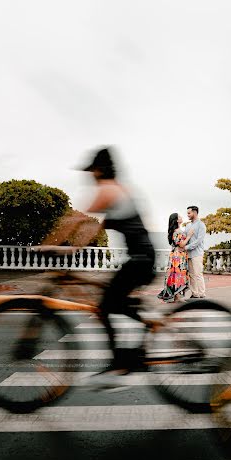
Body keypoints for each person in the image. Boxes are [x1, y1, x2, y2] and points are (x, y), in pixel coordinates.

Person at [79, 147, 155, 384]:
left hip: (140, 260)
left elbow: (79, 221)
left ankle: (119, 365)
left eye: (91, 170)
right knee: (116, 303)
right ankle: (148, 329)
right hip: (142, 258)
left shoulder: (109, 189)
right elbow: (93, 228)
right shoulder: (119, 190)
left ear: (99, 169)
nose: (90, 175)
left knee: (104, 307)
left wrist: (58, 246)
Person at [157, 213, 194, 303]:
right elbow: (181, 244)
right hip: (178, 256)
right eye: (179, 217)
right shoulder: (177, 231)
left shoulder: (176, 230)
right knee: (177, 275)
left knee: (176, 275)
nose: (182, 217)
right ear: (177, 220)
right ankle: (177, 296)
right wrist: (189, 236)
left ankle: (177, 296)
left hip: (177, 255)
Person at [183, 206, 207, 299]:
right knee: (191, 275)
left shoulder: (201, 225)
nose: (187, 215)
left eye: (189, 213)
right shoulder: (188, 225)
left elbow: (199, 241)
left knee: (198, 274)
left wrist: (186, 247)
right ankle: (195, 293)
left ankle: (202, 293)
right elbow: (185, 237)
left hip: (197, 254)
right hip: (189, 254)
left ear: (195, 213)